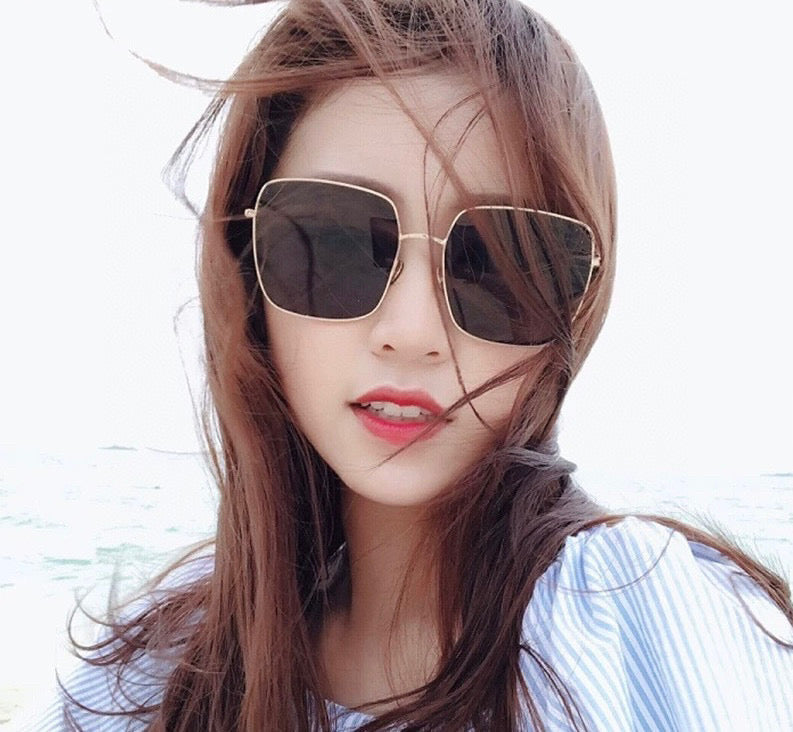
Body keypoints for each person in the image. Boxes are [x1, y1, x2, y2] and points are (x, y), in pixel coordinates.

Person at [30, 0, 793, 729]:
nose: (412, 331)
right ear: (245, 266)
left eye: (495, 262)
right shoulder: (151, 673)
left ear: (574, 303)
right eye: (335, 243)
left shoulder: (641, 624)